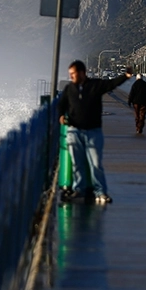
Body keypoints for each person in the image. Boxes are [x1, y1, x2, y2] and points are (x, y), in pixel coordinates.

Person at [57, 60, 132, 204]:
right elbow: (61, 104)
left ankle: (100, 192)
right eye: (70, 74)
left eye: (73, 73)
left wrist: (126, 76)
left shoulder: (95, 86)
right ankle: (79, 190)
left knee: (96, 163)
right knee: (76, 163)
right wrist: (61, 115)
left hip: (93, 131)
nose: (71, 76)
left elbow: (111, 84)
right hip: (74, 131)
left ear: (81, 73)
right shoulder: (69, 89)